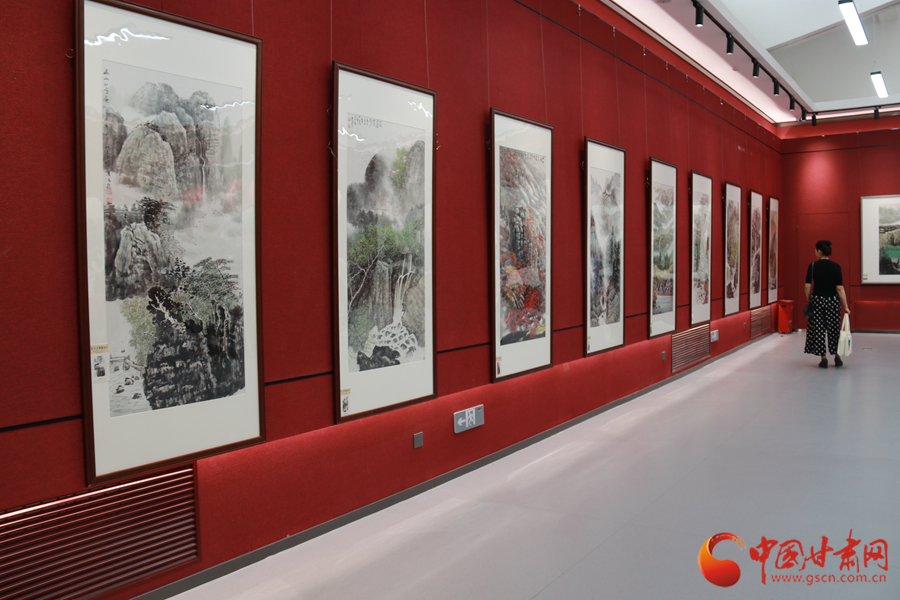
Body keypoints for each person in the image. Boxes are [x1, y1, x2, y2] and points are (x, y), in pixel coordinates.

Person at [803, 240, 850, 368]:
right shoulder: (836, 267)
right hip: (833, 301)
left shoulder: (813, 266)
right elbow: (840, 288)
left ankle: (823, 358)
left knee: (819, 329)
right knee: (834, 329)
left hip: (817, 300)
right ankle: (837, 357)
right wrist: (846, 306)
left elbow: (807, 286)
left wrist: (809, 299)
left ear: (819, 251)